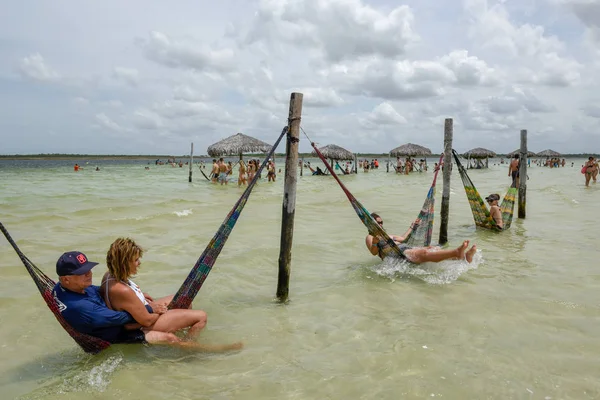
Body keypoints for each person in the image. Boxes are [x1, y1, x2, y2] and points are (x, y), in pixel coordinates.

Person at [101, 238, 210, 343]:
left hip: (140, 313)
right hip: (141, 324)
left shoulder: (109, 275)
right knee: (201, 317)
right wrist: (159, 310)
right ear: (124, 263)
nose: (139, 263)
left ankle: (177, 326)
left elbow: (121, 302)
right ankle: (189, 345)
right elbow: (146, 320)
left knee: (186, 302)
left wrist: (139, 296)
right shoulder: (123, 290)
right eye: (135, 260)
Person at [365, 213, 477, 264]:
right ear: (372, 224)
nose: (380, 224)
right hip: (396, 254)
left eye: (381, 222)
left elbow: (403, 239)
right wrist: (375, 243)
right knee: (423, 253)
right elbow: (374, 252)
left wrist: (412, 226)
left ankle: (464, 258)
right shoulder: (370, 236)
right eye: (378, 223)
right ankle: (456, 252)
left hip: (404, 248)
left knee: (431, 248)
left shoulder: (386, 235)